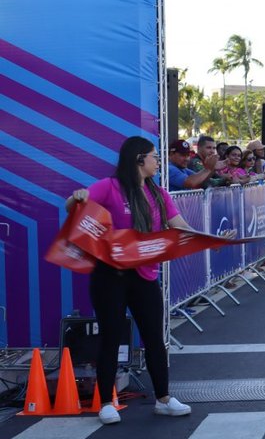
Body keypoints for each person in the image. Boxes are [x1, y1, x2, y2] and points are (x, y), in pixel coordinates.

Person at [65, 136, 234, 425]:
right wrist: (76, 198)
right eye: (155, 156)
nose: (158, 161)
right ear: (139, 159)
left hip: (145, 275)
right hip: (110, 275)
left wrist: (211, 241)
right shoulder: (110, 187)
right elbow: (73, 205)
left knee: (155, 338)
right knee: (111, 336)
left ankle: (164, 399)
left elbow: (181, 227)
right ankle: (106, 402)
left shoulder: (160, 194)